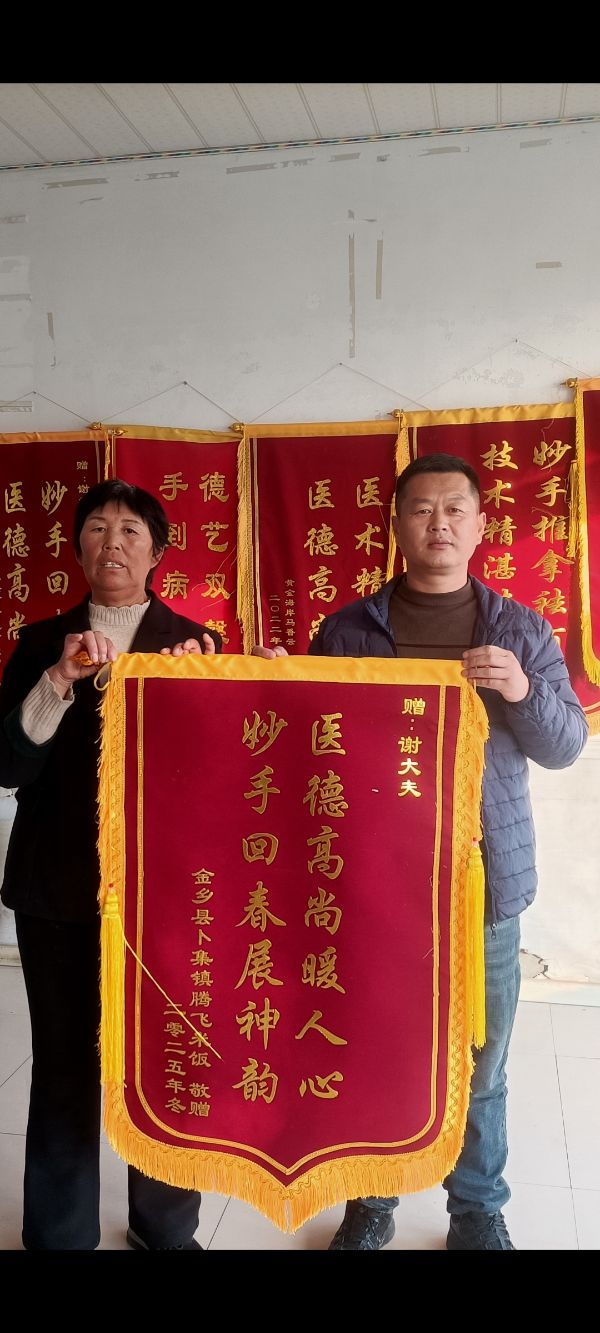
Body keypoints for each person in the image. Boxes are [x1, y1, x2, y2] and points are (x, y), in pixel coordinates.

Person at [259, 452, 587, 1250]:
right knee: (372, 1052)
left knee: (482, 1065)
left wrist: (521, 688)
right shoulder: (348, 630)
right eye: (421, 509)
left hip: (483, 886)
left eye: (453, 509)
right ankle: (371, 1203)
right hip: (371, 887)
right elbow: (308, 751)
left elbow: (567, 744)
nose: (438, 523)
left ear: (479, 526)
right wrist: (273, 689)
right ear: (397, 525)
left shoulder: (520, 630)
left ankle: (475, 1210)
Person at [0, 478, 221, 1251]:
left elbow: (225, 778)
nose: (112, 542)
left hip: (166, 893)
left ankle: (165, 1227)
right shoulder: (40, 642)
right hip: (56, 887)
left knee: (164, 1063)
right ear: (78, 549)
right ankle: (60, 1232)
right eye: (97, 528)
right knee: (64, 1061)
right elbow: (8, 765)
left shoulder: (195, 644)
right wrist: (59, 680)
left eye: (130, 530)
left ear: (158, 552)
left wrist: (202, 693)